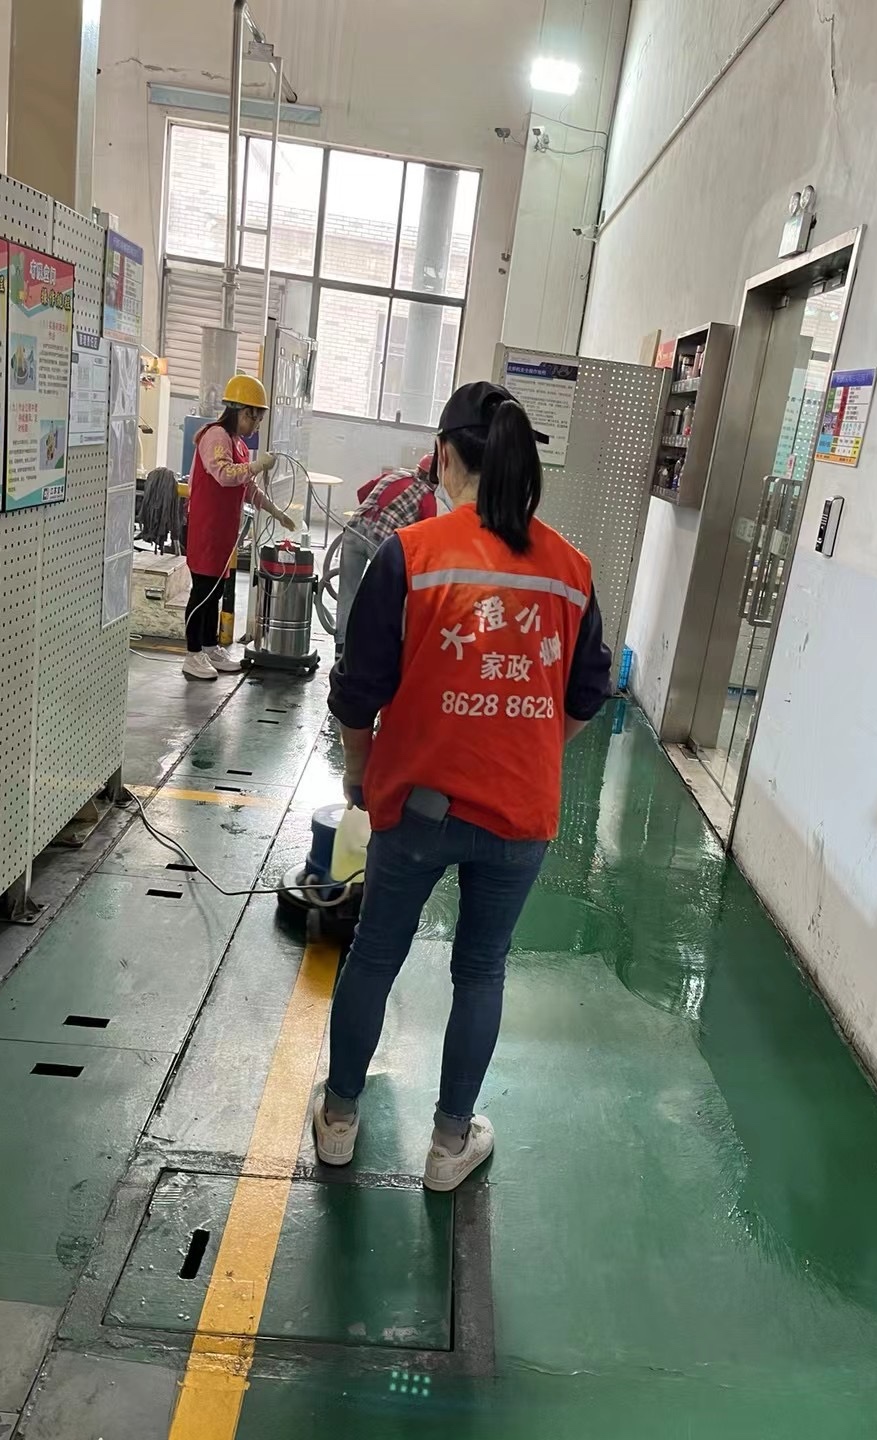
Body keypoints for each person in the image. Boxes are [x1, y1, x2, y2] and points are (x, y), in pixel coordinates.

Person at [318, 380, 613, 1191]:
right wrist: (532, 744)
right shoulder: (571, 571)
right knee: (481, 970)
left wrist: (359, 769)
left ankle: (339, 1120)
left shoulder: (412, 556)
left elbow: (357, 690)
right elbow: (588, 693)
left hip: (416, 808)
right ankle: (451, 1145)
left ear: (444, 456)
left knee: (376, 954)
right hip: (519, 815)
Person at [182, 375, 295, 682]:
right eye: (255, 419)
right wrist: (257, 466)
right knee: (202, 590)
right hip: (205, 529)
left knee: (216, 590)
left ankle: (209, 647)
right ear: (243, 412)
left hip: (224, 532)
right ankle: (193, 654)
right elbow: (224, 474)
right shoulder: (215, 436)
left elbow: (247, 487)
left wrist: (275, 512)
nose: (256, 426)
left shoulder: (238, 444)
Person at [334, 453, 439, 656]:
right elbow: (424, 535)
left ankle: (341, 650)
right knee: (383, 598)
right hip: (380, 541)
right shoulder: (427, 498)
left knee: (347, 592)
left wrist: (375, 516)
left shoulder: (393, 475)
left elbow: (362, 492)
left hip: (353, 530)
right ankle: (372, 650)